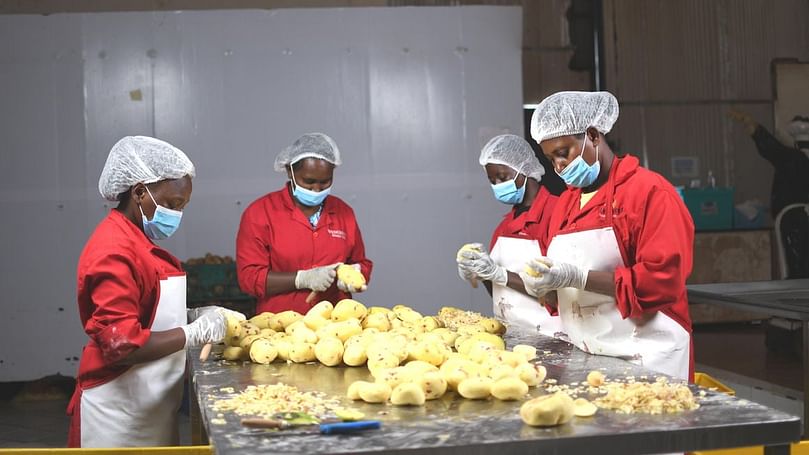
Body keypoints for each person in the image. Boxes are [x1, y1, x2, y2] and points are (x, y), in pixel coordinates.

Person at [68, 136, 240, 447]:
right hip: (118, 415)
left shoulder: (138, 243)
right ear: (138, 192)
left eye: (183, 205)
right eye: (173, 204)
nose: (177, 214)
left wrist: (193, 315)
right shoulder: (113, 251)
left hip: (150, 406)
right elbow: (121, 344)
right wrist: (194, 331)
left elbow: (143, 310)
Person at [520, 91, 695, 380]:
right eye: (551, 159)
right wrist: (545, 288)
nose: (559, 167)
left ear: (593, 135)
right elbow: (561, 295)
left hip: (647, 358)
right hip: (586, 357)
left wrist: (578, 277)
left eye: (563, 153)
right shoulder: (566, 203)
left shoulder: (649, 193)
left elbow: (663, 280)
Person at [236, 133, 373, 315]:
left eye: (325, 182)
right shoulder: (260, 213)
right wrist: (302, 279)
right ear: (289, 171)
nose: (316, 189)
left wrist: (356, 273)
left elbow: (360, 262)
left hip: (335, 324)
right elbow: (249, 278)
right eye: (308, 181)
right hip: (281, 325)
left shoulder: (343, 212)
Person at [456, 134, 561, 335]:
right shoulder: (504, 227)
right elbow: (499, 293)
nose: (497, 185)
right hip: (511, 334)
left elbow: (558, 297)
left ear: (525, 169)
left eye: (502, 177)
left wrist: (499, 274)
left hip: (554, 336)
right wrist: (480, 271)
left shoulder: (558, 213)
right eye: (492, 180)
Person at [728, 109, 809, 278]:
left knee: (796, 273)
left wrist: (754, 127)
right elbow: (772, 148)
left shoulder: (792, 158)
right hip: (794, 220)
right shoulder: (793, 158)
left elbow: (771, 148)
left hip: (793, 221)